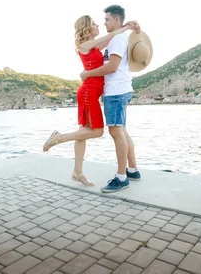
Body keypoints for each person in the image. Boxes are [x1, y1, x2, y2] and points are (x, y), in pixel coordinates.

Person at [43, 15, 136, 186]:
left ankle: (77, 172)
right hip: (88, 93)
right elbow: (109, 37)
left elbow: (112, 39)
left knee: (83, 132)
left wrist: (127, 26)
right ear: (86, 29)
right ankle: (59, 138)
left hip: (90, 93)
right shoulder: (84, 46)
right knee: (97, 131)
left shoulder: (94, 47)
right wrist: (124, 28)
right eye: (93, 24)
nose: (98, 25)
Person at [80, 5, 142, 193]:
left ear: (116, 20)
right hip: (120, 89)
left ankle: (121, 177)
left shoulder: (117, 39)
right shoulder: (117, 38)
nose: (104, 22)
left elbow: (112, 67)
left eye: (107, 19)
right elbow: (95, 48)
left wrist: (87, 74)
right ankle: (132, 170)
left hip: (115, 92)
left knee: (117, 134)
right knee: (122, 131)